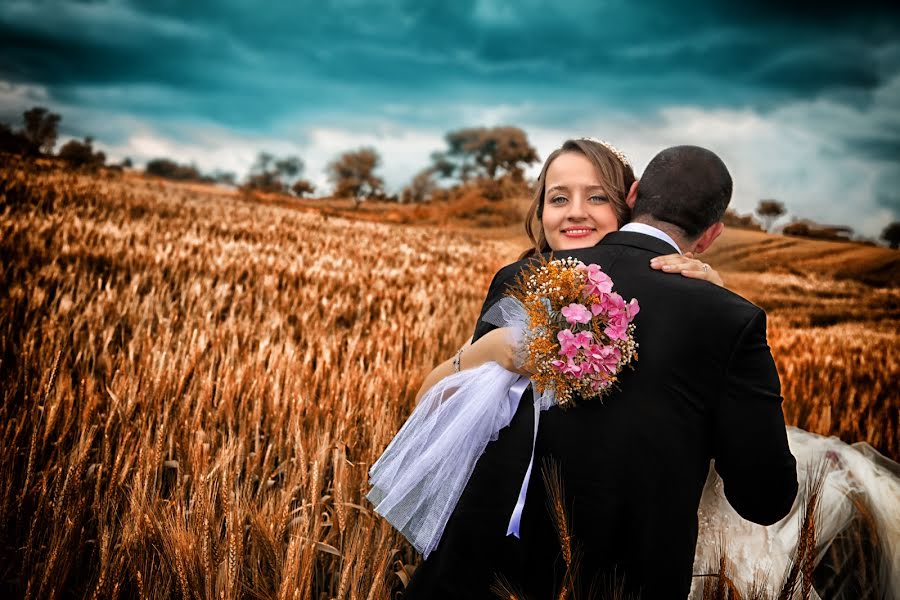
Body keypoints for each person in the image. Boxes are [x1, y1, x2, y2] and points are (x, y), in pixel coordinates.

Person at [395, 139, 750, 599]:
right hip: (493, 551)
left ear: (632, 204)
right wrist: (489, 351)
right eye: (558, 198)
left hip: (612, 565)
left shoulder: (674, 294)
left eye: (597, 197)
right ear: (540, 210)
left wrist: (712, 293)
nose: (575, 212)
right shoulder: (518, 283)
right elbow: (433, 410)